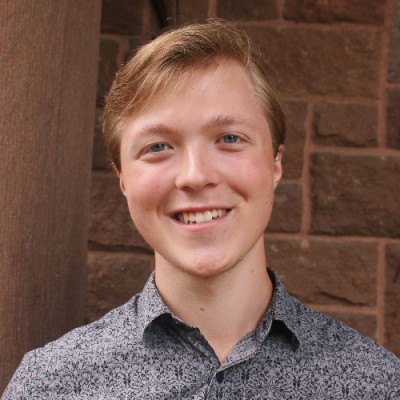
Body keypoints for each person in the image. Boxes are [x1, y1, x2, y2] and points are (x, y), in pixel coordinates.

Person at [2, 19, 399, 399]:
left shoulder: (377, 385)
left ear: (275, 163)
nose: (195, 176)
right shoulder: (50, 387)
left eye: (229, 138)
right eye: (157, 146)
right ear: (123, 178)